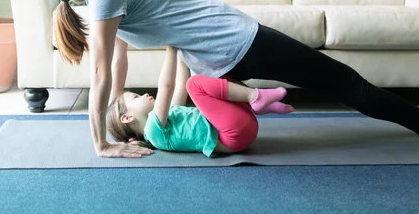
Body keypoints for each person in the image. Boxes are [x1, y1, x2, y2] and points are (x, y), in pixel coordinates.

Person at [38, 0, 419, 158]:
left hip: (214, 60)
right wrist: (101, 141)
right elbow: (101, 71)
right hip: (238, 43)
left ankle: (246, 112)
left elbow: (117, 61)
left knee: (323, 90)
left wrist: (120, 111)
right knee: (347, 83)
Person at [107, 46, 294, 157]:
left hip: (238, 124)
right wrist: (170, 49)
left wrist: (180, 49)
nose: (144, 95)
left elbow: (180, 87)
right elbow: (166, 87)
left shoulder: (169, 118)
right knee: (195, 84)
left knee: (211, 75)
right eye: (136, 97)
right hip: (232, 136)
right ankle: (255, 97)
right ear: (127, 117)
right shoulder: (154, 132)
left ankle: (257, 104)